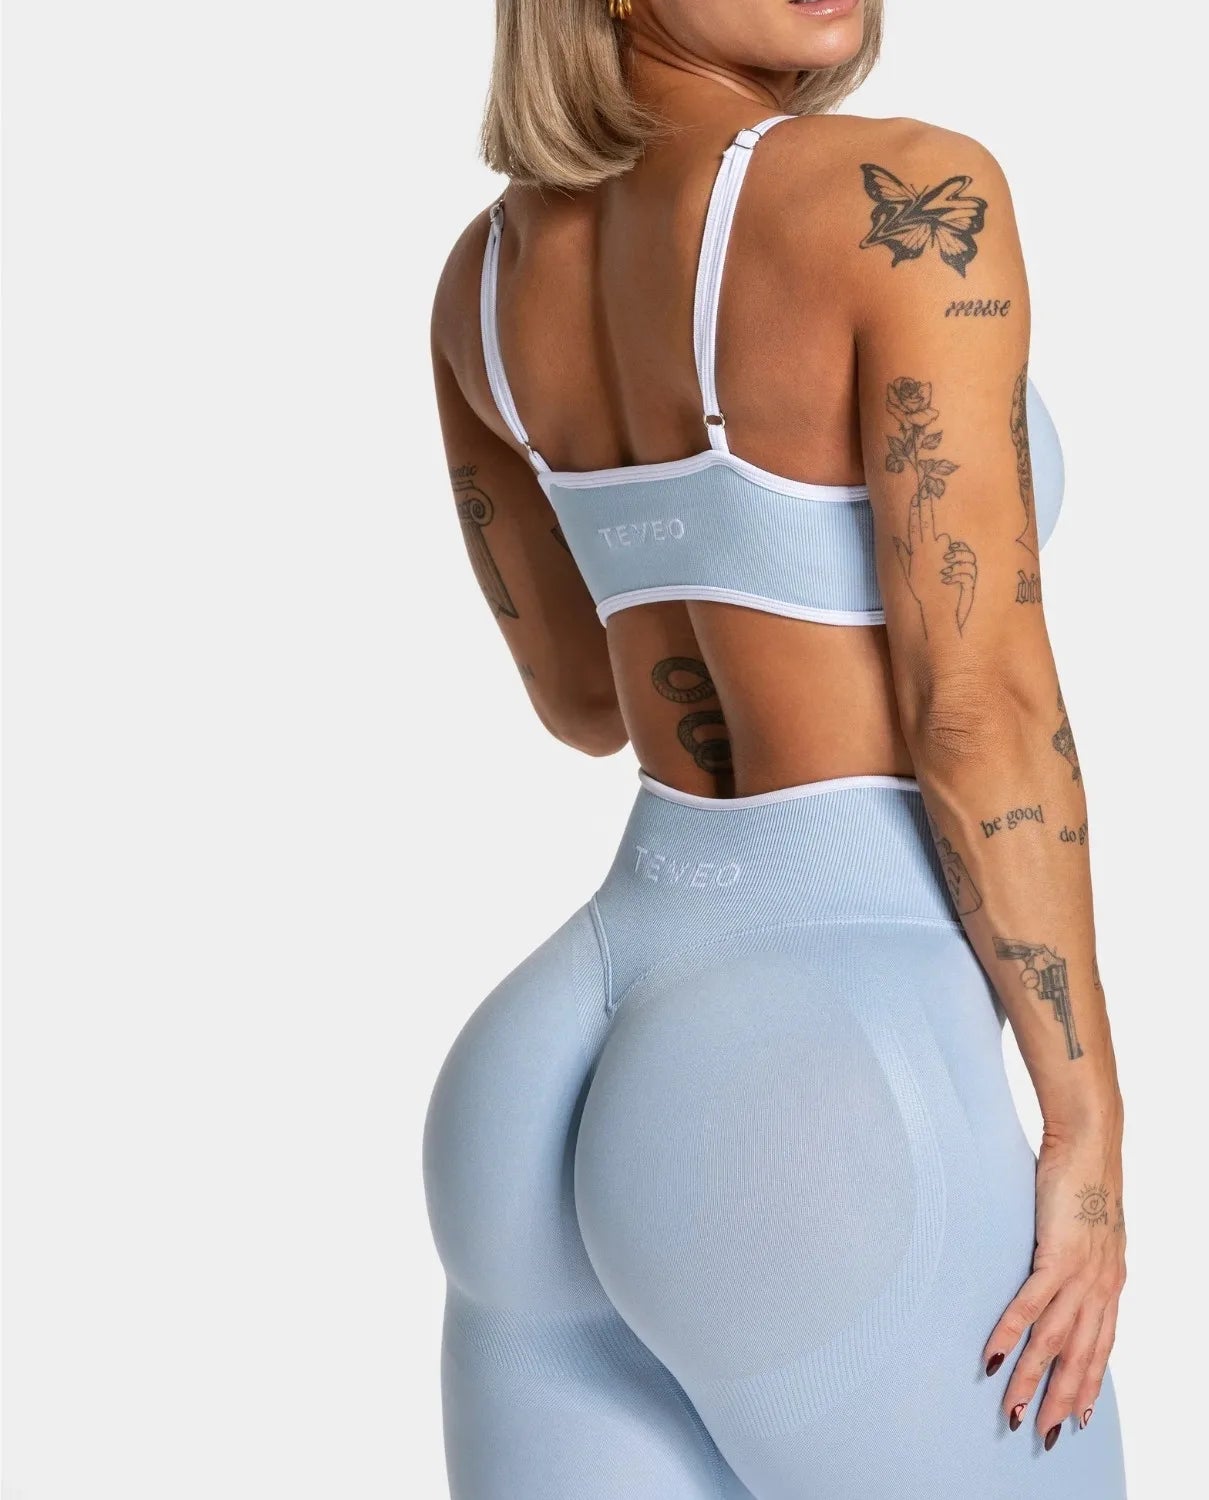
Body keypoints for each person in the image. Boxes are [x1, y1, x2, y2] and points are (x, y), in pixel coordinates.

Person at [421, 1, 1128, 1495]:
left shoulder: (482, 282)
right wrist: (1084, 1128)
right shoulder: (903, 199)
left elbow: (582, 699)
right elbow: (978, 709)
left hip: (550, 1064)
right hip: (811, 1081)